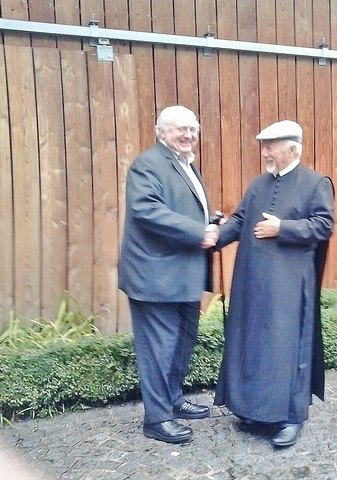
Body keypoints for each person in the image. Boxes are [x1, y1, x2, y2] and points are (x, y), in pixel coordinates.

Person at [213, 120, 335, 448]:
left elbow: (323, 225)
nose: (265, 152)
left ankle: (291, 417)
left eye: (271, 146)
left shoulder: (315, 184)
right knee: (254, 345)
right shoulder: (258, 185)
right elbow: (240, 220)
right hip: (252, 282)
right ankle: (253, 410)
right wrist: (215, 237)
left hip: (290, 286)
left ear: (292, 148)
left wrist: (283, 228)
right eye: (264, 146)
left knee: (286, 348)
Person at [118, 105, 217, 444]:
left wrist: (210, 222)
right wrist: (198, 231)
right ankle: (157, 419)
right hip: (155, 277)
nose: (188, 135)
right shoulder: (148, 163)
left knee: (181, 344)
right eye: (180, 129)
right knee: (159, 349)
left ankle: (172, 401)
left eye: (193, 128)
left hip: (183, 275)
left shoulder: (185, 164)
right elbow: (146, 210)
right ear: (161, 132)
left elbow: (182, 209)